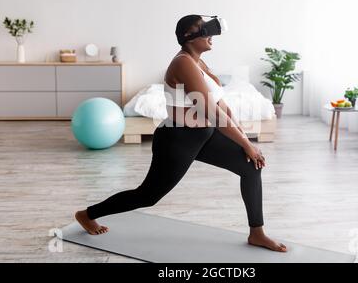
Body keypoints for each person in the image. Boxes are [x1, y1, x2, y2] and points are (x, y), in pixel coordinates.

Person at [75, 15, 287, 252]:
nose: (210, 36)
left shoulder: (199, 63)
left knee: (250, 167)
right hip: (178, 138)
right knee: (148, 196)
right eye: (204, 30)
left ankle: (257, 233)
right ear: (188, 35)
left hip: (204, 135)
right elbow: (210, 110)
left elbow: (221, 105)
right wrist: (247, 145)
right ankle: (87, 214)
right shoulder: (183, 63)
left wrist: (244, 140)